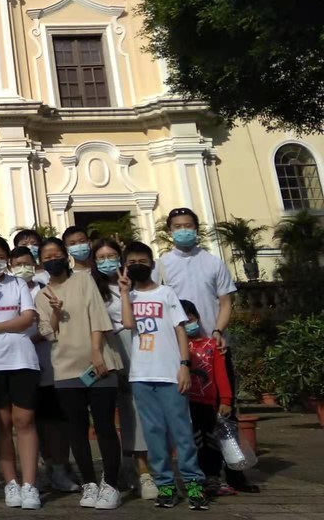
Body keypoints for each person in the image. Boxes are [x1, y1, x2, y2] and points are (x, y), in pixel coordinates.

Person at [155, 207, 257, 495]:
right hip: (182, 352)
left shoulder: (213, 262)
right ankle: (204, 473)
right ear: (170, 231)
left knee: (226, 411)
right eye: (177, 226)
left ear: (196, 229)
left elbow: (225, 302)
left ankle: (236, 471)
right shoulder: (162, 265)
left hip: (215, 349)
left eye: (188, 225)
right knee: (194, 417)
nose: (183, 230)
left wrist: (217, 332)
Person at [35, 236, 124, 510]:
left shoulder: (84, 280)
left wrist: (97, 352)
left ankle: (111, 485)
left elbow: (98, 315)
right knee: (76, 430)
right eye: (47, 256)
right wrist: (54, 312)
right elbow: (47, 333)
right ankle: (89, 482)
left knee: (105, 426)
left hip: (97, 363)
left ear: (66, 255)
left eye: (56, 254)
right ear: (41, 262)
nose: (53, 259)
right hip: (65, 368)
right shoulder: (42, 295)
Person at [118, 242, 209, 510]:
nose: (138, 265)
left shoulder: (167, 293)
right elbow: (127, 324)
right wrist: (124, 293)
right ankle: (165, 486)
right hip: (142, 375)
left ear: (152, 264)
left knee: (182, 432)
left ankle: (194, 485)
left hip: (171, 374)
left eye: (143, 261)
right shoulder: (130, 297)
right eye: (132, 261)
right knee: (154, 434)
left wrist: (184, 365)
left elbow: (181, 330)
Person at [0, 236, 42, 510]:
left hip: (22, 360)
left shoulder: (18, 284)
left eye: (0, 256)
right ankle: (11, 482)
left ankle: (29, 484)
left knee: (25, 420)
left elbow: (27, 318)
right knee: (1, 424)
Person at [9, 245, 77, 494]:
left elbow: (51, 325)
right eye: (17, 264)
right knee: (25, 422)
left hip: (49, 364)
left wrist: (31, 336)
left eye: (27, 263)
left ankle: (58, 468)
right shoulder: (6, 290)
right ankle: (31, 474)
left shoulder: (43, 290)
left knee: (54, 421)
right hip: (18, 365)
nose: (22, 268)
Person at [92, 238, 155, 500]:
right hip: (106, 347)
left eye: (112, 255)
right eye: (101, 257)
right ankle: (122, 467)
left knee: (137, 408)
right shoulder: (93, 287)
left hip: (137, 345)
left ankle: (144, 471)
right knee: (112, 411)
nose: (107, 261)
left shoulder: (134, 284)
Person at [181, 299, 235, 496]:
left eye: (191, 319)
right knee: (191, 441)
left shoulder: (212, 346)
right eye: (183, 322)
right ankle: (193, 479)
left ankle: (213, 476)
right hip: (185, 403)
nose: (188, 324)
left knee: (210, 441)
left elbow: (221, 375)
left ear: (198, 318)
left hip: (208, 403)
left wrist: (226, 400)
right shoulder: (175, 348)